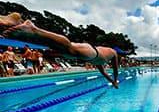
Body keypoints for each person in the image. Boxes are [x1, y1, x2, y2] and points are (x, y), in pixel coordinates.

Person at [4, 20, 132, 88]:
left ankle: (17, 24)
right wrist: (115, 80)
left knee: (56, 47)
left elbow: (103, 72)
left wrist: (112, 81)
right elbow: (115, 69)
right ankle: (33, 28)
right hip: (91, 52)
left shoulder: (103, 59)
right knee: (68, 47)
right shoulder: (113, 53)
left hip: (89, 52)